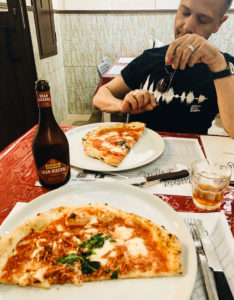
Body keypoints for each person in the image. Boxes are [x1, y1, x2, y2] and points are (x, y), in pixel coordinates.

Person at [93, 0, 234, 137]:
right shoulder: (149, 58)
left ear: (219, 24)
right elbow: (101, 94)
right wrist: (121, 104)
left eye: (203, 20)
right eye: (185, 12)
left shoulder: (225, 67)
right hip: (139, 151)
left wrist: (217, 63)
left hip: (191, 156)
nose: (187, 27)